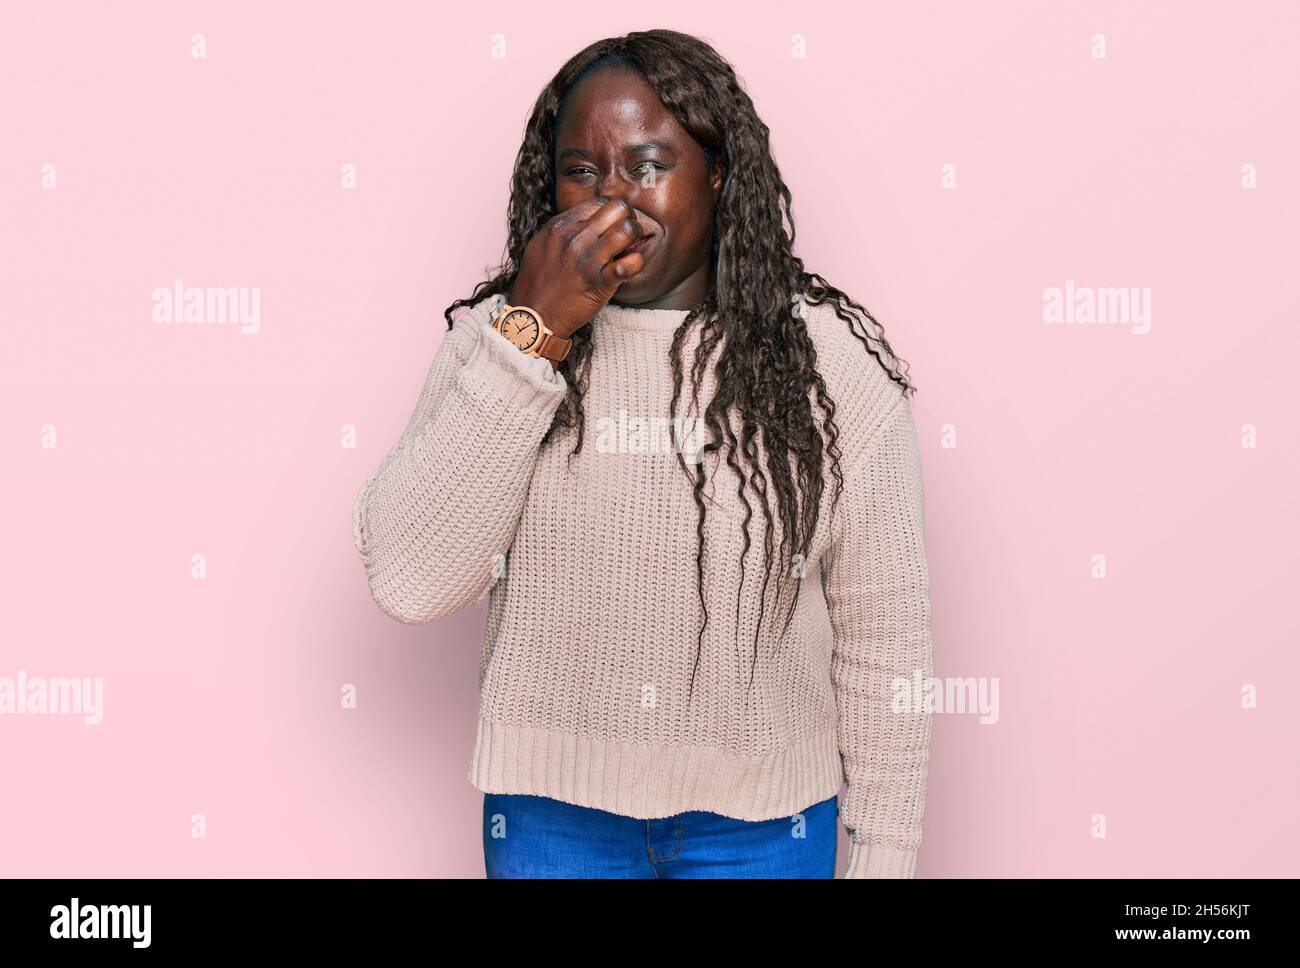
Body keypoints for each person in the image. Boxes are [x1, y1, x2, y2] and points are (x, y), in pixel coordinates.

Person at [351, 28, 934, 879]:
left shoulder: (829, 360)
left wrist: (885, 854)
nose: (612, 202)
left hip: (766, 826)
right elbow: (410, 580)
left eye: (649, 165)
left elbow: (887, 630)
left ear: (720, 174)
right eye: (581, 171)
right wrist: (536, 333)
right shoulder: (502, 341)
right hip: (551, 821)